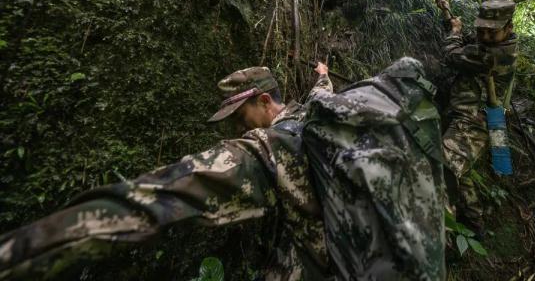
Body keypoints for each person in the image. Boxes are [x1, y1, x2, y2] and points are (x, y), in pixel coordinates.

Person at [0, 63, 333, 281]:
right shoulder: (317, 114)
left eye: (239, 115)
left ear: (264, 101)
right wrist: (322, 72)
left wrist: (18, 253)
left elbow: (162, 196)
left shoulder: (272, 148)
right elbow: (323, 88)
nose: (237, 126)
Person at [436, 0, 518, 236]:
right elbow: (470, 43)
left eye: (491, 32)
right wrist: (448, 15)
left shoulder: (496, 56)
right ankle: (474, 223)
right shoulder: (499, 42)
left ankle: (439, 239)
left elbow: (451, 54)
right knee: (459, 171)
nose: (485, 36)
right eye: (481, 30)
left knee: (441, 170)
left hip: (473, 123)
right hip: (465, 115)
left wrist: (455, 31)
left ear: (509, 27)